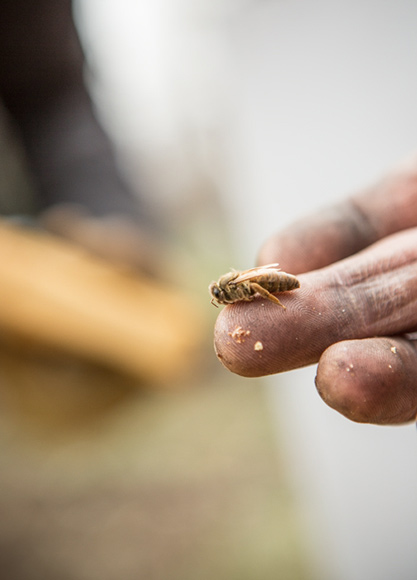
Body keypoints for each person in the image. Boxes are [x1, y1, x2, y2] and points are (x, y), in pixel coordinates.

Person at [214, 154, 417, 426]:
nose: (221, 299)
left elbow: (250, 285)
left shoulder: (236, 286)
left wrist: (274, 300)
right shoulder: (233, 288)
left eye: (220, 296)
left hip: (277, 284)